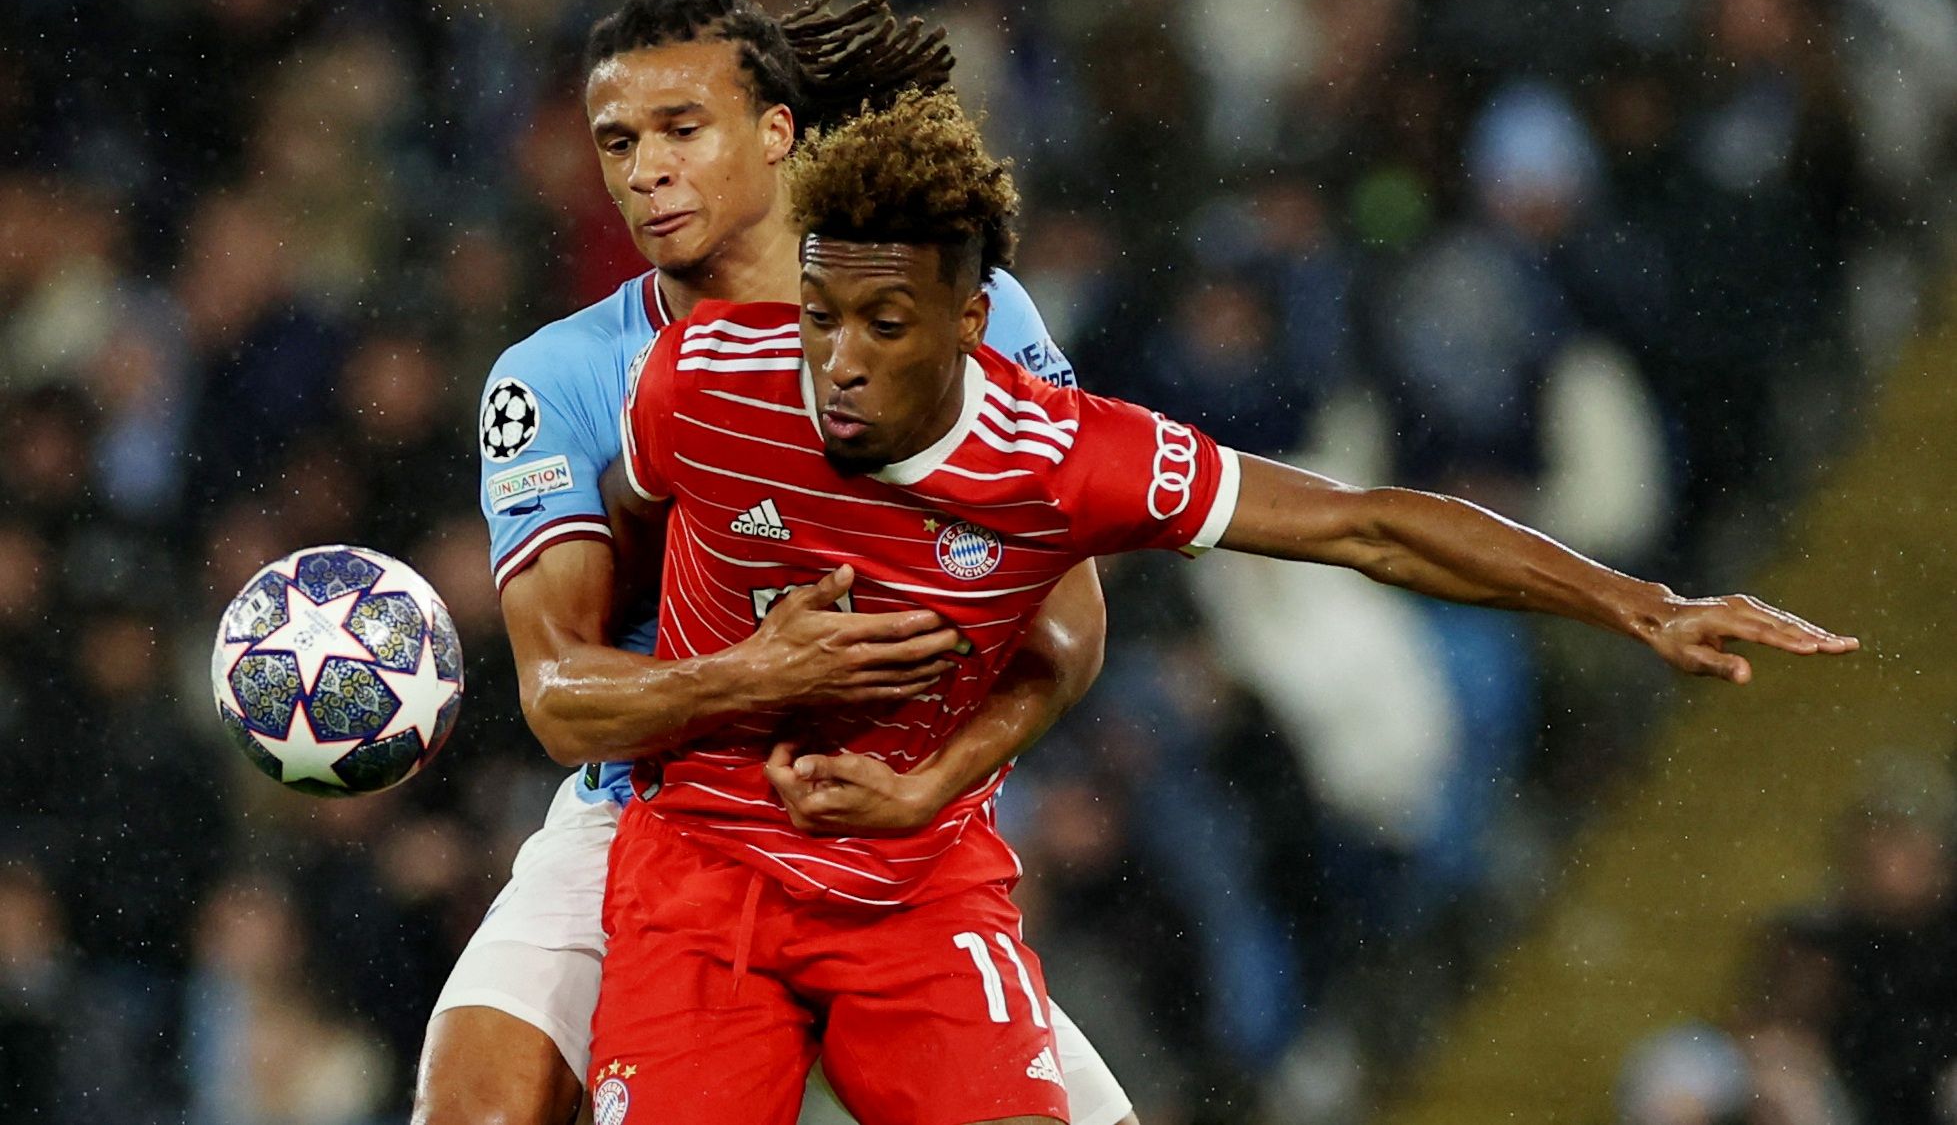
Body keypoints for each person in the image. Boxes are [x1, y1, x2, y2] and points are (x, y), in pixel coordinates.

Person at [594, 87, 1859, 1125]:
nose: (839, 362)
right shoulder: (704, 379)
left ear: (971, 322)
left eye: (884, 321)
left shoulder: (1066, 457)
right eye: (818, 316)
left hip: (913, 885)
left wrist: (1638, 604)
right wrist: (714, 668)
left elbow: (1365, 524)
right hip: (703, 867)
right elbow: (626, 511)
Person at [416, 0, 1135, 1125]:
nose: (644, 169)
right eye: (616, 142)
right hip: (653, 823)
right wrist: (760, 675)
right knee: (474, 1111)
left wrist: (931, 784)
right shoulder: (552, 377)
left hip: (886, 838)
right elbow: (559, 697)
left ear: (776, 134)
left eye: (679, 130)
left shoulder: (968, 311)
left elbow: (1070, 628)